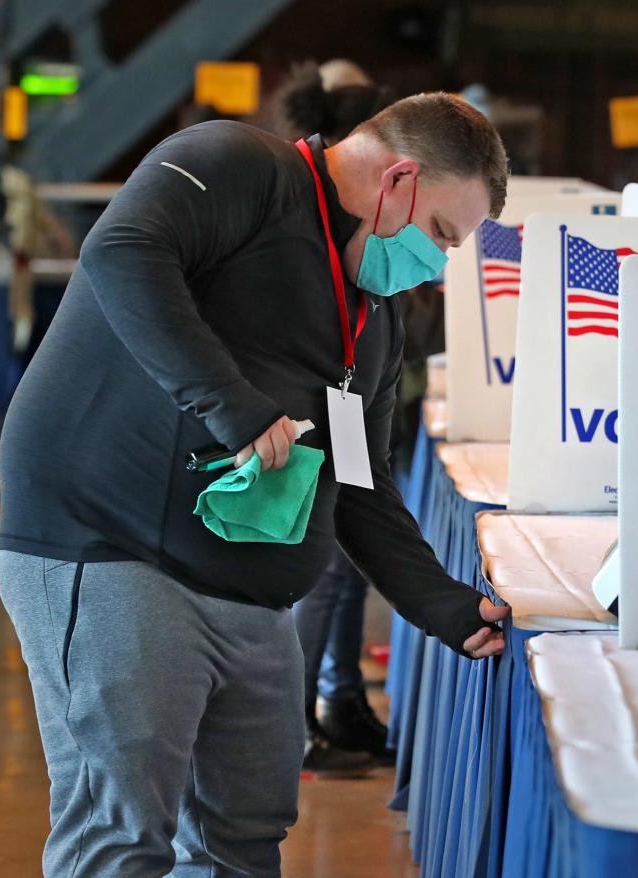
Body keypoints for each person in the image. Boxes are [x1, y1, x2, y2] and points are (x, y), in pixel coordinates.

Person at [0, 93, 510, 876]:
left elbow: (362, 486)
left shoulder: (373, 318)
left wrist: (446, 604)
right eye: (441, 233)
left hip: (252, 593)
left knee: (244, 835)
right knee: (124, 833)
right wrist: (230, 404)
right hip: (112, 550)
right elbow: (125, 251)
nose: (438, 263)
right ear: (399, 178)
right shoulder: (241, 167)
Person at [277, 61, 406, 774]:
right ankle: (294, 715)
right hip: (326, 416)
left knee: (343, 568)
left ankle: (336, 696)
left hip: (341, 413)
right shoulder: (319, 215)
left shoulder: (323, 202)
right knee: (327, 573)